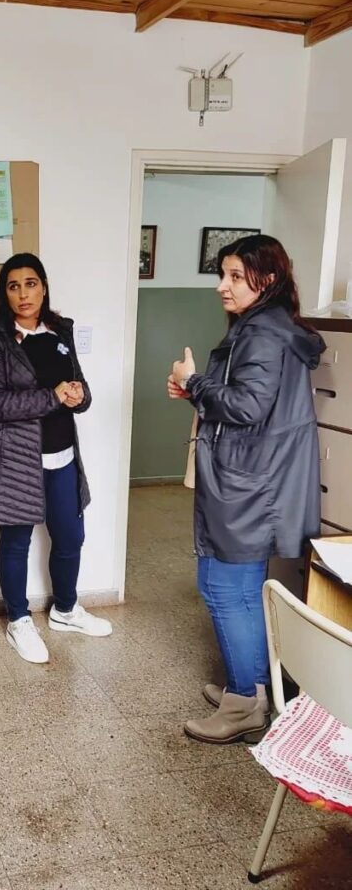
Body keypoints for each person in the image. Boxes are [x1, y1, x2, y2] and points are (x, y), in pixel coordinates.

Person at [167, 234, 324, 744]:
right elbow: (242, 401)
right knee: (241, 589)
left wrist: (194, 384)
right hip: (255, 479)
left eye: (236, 276)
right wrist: (198, 392)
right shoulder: (269, 328)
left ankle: (244, 708)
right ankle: (253, 686)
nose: (222, 287)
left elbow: (246, 408)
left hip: (249, 485)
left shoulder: (262, 334)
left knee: (223, 589)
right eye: (224, 275)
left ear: (268, 280)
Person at [0, 252, 112, 664]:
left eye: (30, 283)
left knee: (71, 538)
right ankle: (18, 619)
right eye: (13, 286)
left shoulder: (59, 330)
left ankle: (65, 610)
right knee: (16, 542)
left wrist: (80, 395)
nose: (23, 293)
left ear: (44, 287)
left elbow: (79, 388)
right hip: (16, 461)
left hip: (63, 456)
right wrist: (52, 396)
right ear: (4, 294)